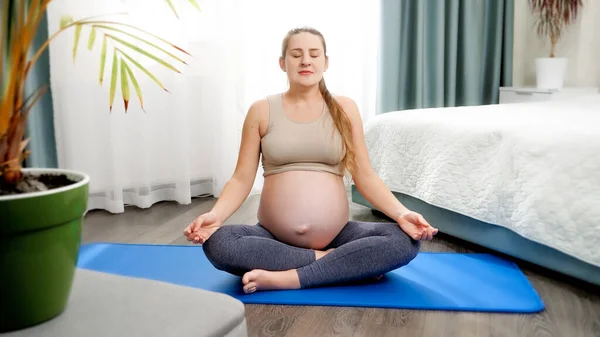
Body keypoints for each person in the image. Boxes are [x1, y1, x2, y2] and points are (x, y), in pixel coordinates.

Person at [183, 27, 438, 294]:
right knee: (220, 243)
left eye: (314, 54)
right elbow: (241, 178)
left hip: (339, 234)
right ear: (283, 63)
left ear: (325, 62)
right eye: (296, 54)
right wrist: (216, 215)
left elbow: (365, 175)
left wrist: (402, 213)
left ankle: (289, 278)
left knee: (403, 241)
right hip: (273, 237)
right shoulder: (262, 110)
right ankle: (337, 263)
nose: (306, 60)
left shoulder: (344, 109)